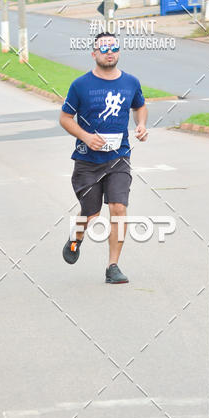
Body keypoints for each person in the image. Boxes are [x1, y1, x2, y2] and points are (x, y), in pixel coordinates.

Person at [59, 31, 148, 285]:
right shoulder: (80, 85)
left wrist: (141, 125)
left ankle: (113, 266)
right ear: (94, 53)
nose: (109, 52)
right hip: (87, 160)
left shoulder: (131, 82)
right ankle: (76, 238)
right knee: (91, 213)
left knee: (119, 208)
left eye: (113, 48)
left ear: (118, 52)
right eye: (103, 48)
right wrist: (86, 137)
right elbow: (65, 118)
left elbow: (139, 105)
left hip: (119, 157)